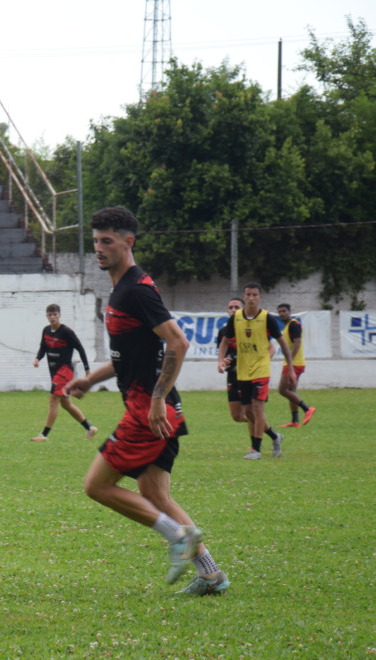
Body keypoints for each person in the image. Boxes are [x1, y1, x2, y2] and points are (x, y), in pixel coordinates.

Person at [65, 206, 228, 596]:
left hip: (148, 411)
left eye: (107, 241)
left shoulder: (136, 290)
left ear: (128, 242)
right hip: (160, 408)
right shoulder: (123, 289)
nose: (99, 248)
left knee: (96, 486)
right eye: (95, 241)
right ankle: (212, 575)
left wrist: (156, 399)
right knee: (155, 494)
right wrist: (90, 379)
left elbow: (178, 342)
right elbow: (129, 357)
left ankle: (178, 536)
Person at [216, 283, 296, 459]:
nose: (251, 298)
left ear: (260, 298)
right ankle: (275, 436)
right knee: (247, 412)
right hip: (242, 371)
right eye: (248, 295)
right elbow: (224, 342)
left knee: (258, 408)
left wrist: (290, 367)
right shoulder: (235, 319)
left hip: (261, 369)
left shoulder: (267, 318)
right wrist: (221, 361)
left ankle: (256, 450)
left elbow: (281, 343)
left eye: (254, 295)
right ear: (244, 296)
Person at [30, 303, 97, 441]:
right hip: (54, 372)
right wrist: (37, 358)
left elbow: (80, 348)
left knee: (53, 400)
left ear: (59, 315)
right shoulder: (46, 330)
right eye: (50, 315)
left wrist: (87, 369)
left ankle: (44, 435)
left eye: (55, 314)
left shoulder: (66, 332)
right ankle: (90, 428)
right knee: (66, 404)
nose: (52, 317)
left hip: (64, 372)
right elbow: (43, 348)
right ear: (46, 316)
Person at [275, 303, 316, 428]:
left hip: (294, 363)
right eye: (280, 312)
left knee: (283, 390)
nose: (282, 313)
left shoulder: (294, 324)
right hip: (295, 363)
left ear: (290, 311)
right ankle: (295, 421)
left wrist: (290, 361)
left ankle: (307, 408)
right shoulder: (287, 326)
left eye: (284, 311)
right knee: (291, 391)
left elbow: (297, 343)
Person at [216, 297, 246, 424]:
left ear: (243, 310)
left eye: (236, 307)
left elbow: (269, 348)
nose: (233, 310)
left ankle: (259, 431)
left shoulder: (249, 328)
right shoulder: (223, 331)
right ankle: (263, 426)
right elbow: (222, 352)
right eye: (230, 308)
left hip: (248, 375)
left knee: (249, 412)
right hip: (232, 375)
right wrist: (223, 361)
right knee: (236, 416)